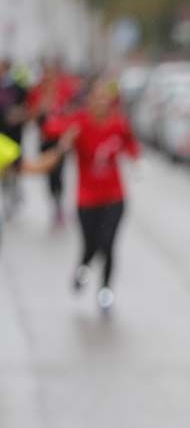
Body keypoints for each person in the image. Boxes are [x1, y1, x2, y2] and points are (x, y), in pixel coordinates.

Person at [23, 79, 140, 315]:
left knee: (108, 243)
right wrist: (62, 137)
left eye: (104, 98)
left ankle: (105, 291)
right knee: (91, 244)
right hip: (87, 198)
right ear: (89, 101)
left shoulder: (118, 123)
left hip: (114, 196)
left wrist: (136, 160)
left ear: (109, 101)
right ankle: (83, 267)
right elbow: (49, 129)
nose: (100, 102)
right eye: (96, 98)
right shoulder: (79, 122)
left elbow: (131, 145)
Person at [27, 59, 81, 228]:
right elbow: (33, 117)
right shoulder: (36, 93)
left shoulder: (63, 92)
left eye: (52, 76)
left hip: (60, 140)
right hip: (45, 140)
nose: (49, 80)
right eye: (46, 76)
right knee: (49, 175)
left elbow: (72, 111)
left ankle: (60, 205)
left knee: (60, 173)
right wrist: (41, 108)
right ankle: (54, 204)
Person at [0, 59, 29, 217]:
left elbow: (27, 108)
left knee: (15, 167)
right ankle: (7, 197)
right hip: (1, 135)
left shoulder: (18, 87)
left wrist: (18, 115)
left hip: (14, 135)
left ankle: (15, 193)